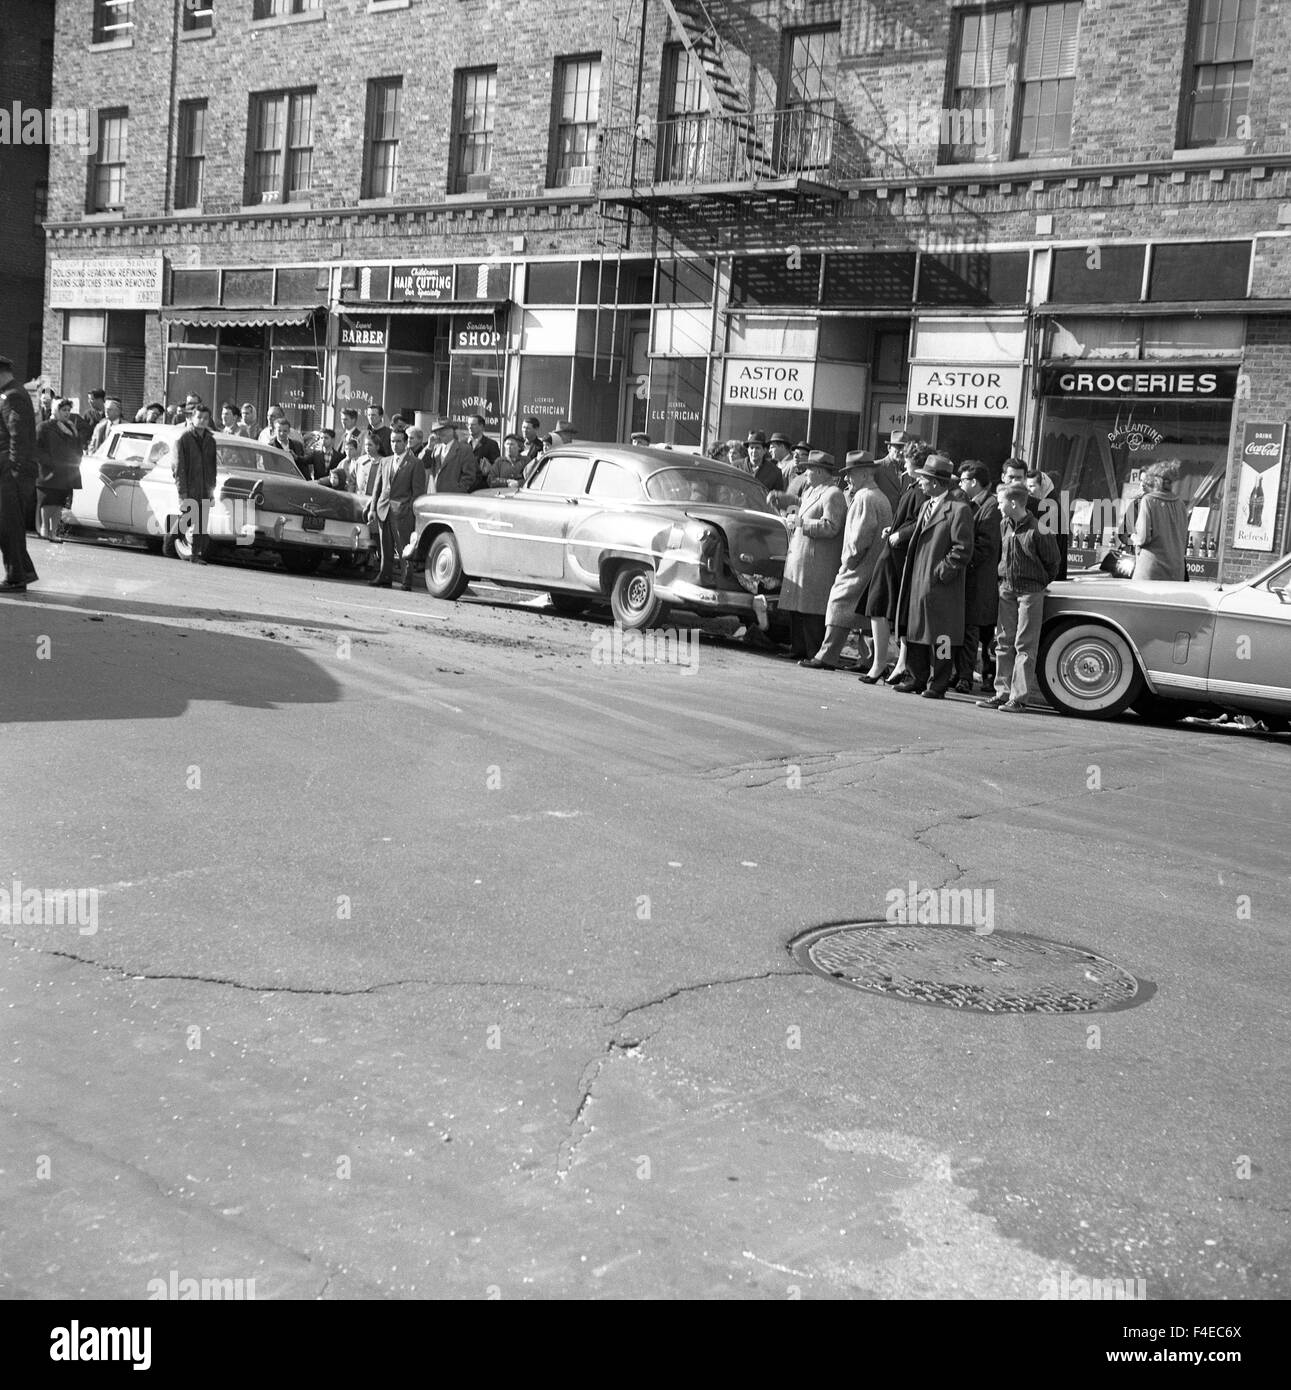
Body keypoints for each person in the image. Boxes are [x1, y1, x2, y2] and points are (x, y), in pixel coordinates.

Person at [893, 453, 974, 699]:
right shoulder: (927, 506)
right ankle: (916, 677)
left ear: (937, 483)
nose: (921, 483)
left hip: (940, 585)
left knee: (942, 637)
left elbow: (962, 549)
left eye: (925, 479)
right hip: (919, 580)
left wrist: (941, 572)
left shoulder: (959, 510)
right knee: (916, 631)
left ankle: (938, 683)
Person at [803, 451, 893, 672]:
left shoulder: (864, 498)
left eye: (851, 474)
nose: (847, 479)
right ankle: (868, 659)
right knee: (865, 615)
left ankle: (827, 655)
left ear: (864, 474)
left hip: (859, 564)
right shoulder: (879, 497)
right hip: (873, 564)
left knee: (838, 604)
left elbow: (860, 535)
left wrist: (849, 560)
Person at [979, 483, 1062, 713]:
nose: (997, 505)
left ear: (1013, 503)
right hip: (1006, 588)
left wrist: (1037, 585)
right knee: (1004, 642)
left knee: (1025, 645)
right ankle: (1002, 693)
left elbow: (1053, 562)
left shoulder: (1039, 528)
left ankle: (1019, 697)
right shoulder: (1005, 523)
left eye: (1001, 501)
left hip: (1029, 592)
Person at [864, 441, 926, 685]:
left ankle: (883, 663)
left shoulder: (918, 488)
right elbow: (912, 519)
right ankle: (896, 663)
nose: (904, 463)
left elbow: (920, 521)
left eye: (908, 460)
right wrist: (895, 528)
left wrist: (899, 534)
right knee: (891, 611)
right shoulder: (913, 485)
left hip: (896, 556)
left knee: (878, 606)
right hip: (896, 553)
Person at [779, 450, 847, 660]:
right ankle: (797, 648)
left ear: (819, 471)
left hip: (817, 563)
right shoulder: (810, 492)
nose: (805, 472)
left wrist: (802, 523)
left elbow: (831, 526)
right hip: (801, 560)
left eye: (809, 469)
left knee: (811, 611)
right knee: (797, 609)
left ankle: (813, 651)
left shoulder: (833, 494)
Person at [954, 460, 1001, 694]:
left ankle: (968, 677)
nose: (960, 483)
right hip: (973, 579)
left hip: (980, 581)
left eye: (963, 480)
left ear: (974, 482)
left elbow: (985, 546)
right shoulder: (973, 503)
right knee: (973, 631)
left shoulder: (990, 506)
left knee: (974, 631)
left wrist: (963, 561)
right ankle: (966, 675)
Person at [367, 423, 427, 590]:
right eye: (392, 441)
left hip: (403, 511)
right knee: (385, 547)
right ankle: (384, 576)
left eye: (398, 441)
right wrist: (372, 509)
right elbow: (377, 488)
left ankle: (406, 580)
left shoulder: (415, 463)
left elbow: (417, 492)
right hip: (383, 509)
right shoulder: (385, 461)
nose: (395, 445)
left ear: (406, 442)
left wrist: (411, 512)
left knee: (403, 548)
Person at [0, 357, 39, 591]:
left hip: (12, 472)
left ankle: (16, 577)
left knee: (8, 525)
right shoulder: (11, 393)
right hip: (10, 470)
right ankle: (23, 571)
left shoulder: (12, 395)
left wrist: (15, 470)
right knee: (7, 524)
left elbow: (18, 436)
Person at [173, 403, 218, 563]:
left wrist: (212, 489)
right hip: (189, 487)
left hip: (205, 488)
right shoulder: (184, 438)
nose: (202, 421)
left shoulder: (210, 440)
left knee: (201, 523)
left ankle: (195, 554)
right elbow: (179, 467)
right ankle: (169, 541)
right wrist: (182, 492)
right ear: (192, 418)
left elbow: (213, 467)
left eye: (206, 418)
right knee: (187, 519)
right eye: (199, 417)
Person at [1131, 459, 1187, 581]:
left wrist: (1133, 537)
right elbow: (1183, 539)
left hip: (1151, 569)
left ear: (1155, 480)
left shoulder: (1148, 500)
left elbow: (1143, 538)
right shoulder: (1181, 504)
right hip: (1176, 571)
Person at [35, 398, 83, 541]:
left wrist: (76, 460)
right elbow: (36, 449)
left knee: (59, 503)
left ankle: (54, 532)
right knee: (47, 501)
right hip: (48, 472)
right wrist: (49, 462)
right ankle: (44, 528)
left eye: (69, 410)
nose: (67, 413)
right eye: (64, 410)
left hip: (66, 473)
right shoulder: (43, 427)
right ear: (56, 410)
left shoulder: (71, 428)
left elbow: (78, 449)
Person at [1026, 468, 1068, 580]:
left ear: (1043, 486)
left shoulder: (1051, 507)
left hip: (1050, 575)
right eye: (1026, 487)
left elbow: (1049, 545)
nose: (1028, 490)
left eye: (1031, 486)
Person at [427, 418, 477, 493]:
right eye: (438, 431)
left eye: (444, 430)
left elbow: (469, 476)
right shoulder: (436, 448)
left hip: (453, 497)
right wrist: (429, 447)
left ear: (452, 431)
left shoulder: (464, 449)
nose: (441, 433)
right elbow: (424, 464)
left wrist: (458, 489)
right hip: (436, 495)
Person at [465, 414, 500, 487]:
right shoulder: (462, 443)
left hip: (481, 485)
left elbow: (496, 466)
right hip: (464, 485)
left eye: (473, 425)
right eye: (468, 424)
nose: (469, 427)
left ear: (481, 426)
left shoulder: (491, 444)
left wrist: (489, 468)